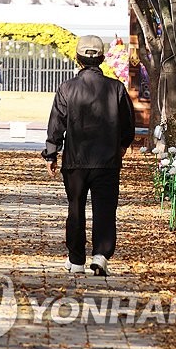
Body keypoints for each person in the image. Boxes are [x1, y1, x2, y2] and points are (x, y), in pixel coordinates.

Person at [42, 34, 135, 277]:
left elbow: (56, 125)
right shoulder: (117, 88)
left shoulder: (66, 89)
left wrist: (51, 154)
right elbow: (128, 125)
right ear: (103, 59)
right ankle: (101, 256)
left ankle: (75, 260)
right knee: (105, 209)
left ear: (77, 58)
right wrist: (122, 146)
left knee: (76, 208)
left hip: (75, 162)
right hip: (107, 162)